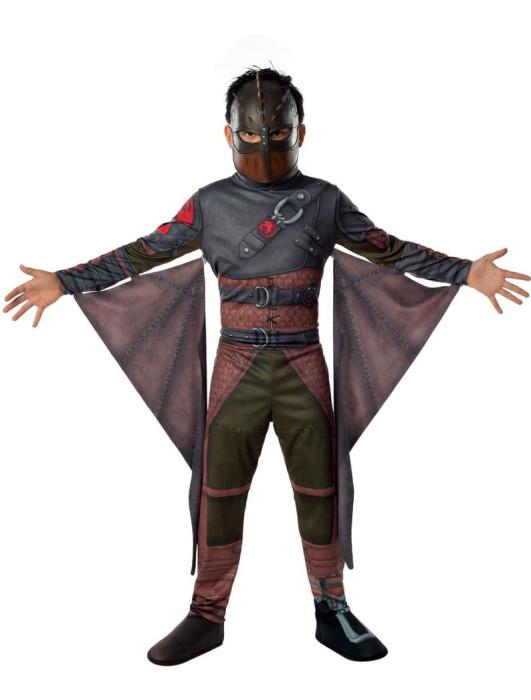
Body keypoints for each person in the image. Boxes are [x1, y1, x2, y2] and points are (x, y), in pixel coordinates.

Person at [4, 67, 530, 666]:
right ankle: (207, 614)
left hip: (304, 365)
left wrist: (466, 272)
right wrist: (66, 281)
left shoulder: (325, 201)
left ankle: (331, 608)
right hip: (237, 370)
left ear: (301, 132)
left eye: (275, 135)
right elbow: (143, 253)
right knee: (219, 491)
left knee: (320, 489)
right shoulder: (209, 205)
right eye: (251, 136)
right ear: (228, 135)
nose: (263, 145)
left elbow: (391, 250)